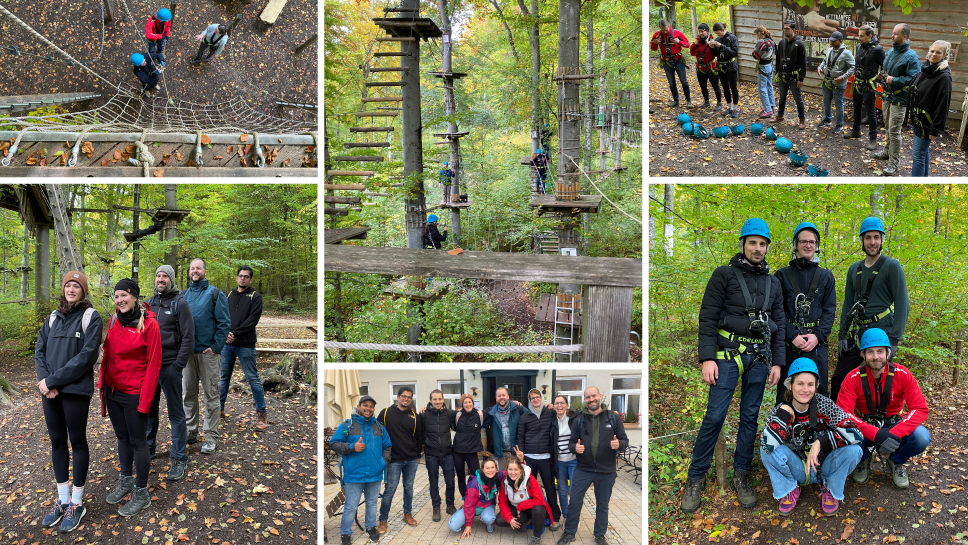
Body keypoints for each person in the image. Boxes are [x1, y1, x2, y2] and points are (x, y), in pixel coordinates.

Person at [680, 218, 786, 513]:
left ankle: (742, 475)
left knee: (749, 419)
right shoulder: (724, 275)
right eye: (752, 242)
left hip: (759, 359)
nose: (757, 248)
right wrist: (707, 357)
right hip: (726, 356)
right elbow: (708, 317)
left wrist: (778, 362)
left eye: (762, 244)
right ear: (743, 244)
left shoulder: (772, 282)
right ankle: (695, 478)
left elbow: (779, 326)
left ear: (767, 248)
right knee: (714, 417)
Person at [760, 358, 881, 516]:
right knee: (767, 451)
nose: (805, 389)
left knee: (854, 450)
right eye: (800, 383)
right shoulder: (781, 411)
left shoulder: (825, 405)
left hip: (826, 466)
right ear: (790, 385)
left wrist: (820, 443)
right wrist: (783, 412)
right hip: (800, 468)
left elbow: (856, 433)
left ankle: (830, 487)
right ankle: (790, 488)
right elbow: (766, 445)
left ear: (816, 386)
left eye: (810, 384)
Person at [35, 272, 103, 533]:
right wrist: (45, 382)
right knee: (56, 441)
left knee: (77, 441)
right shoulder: (52, 318)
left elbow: (87, 356)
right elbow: (39, 351)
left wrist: (53, 381)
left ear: (83, 291)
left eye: (76, 286)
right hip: (49, 392)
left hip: (75, 391)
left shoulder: (90, 317)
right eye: (68, 286)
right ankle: (62, 500)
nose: (71, 290)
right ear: (63, 289)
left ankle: (77, 502)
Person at [98, 279, 162, 517]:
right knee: (122, 437)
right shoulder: (115, 319)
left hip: (135, 393)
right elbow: (109, 354)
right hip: (113, 390)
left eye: (124, 295)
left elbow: (154, 365)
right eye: (116, 296)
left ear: (134, 296)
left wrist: (145, 401)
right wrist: (104, 385)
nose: (120, 300)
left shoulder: (150, 325)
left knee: (138, 441)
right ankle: (125, 481)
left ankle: (141, 492)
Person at [837, 328, 930, 489]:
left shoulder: (903, 374)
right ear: (863, 355)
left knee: (921, 437)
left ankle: (895, 461)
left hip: (894, 424)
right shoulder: (852, 378)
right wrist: (875, 434)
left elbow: (920, 409)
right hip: (864, 427)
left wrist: (895, 432)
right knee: (841, 432)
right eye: (870, 352)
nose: (875, 357)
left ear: (888, 352)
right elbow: (842, 414)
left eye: (880, 351)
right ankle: (863, 458)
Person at [830, 217, 908, 402]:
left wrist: (894, 339)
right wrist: (842, 335)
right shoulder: (853, 269)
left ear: (881, 240)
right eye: (868, 238)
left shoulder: (891, 266)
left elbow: (902, 303)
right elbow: (848, 304)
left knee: (880, 383)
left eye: (876, 237)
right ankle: (835, 423)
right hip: (859, 333)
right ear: (862, 240)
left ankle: (879, 424)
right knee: (839, 379)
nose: (872, 242)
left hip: (883, 332)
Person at [556, 387, 629, 545]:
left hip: (606, 470)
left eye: (593, 396)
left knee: (602, 504)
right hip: (583, 469)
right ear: (585, 400)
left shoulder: (613, 418)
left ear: (600, 396)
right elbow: (571, 443)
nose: (591, 399)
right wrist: (575, 448)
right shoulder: (579, 420)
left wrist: (619, 444)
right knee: (575, 501)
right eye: (587, 397)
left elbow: (625, 441)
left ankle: (600, 534)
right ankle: (569, 533)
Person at [774, 222, 836, 403]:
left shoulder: (826, 276)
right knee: (786, 392)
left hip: (817, 345)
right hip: (789, 344)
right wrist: (792, 335)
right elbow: (777, 312)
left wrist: (817, 336)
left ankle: (820, 429)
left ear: (816, 246)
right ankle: (784, 428)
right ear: (796, 244)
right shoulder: (781, 276)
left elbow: (829, 311)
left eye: (812, 242)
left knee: (819, 392)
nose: (808, 245)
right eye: (803, 241)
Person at [145, 265, 195, 481]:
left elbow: (188, 338)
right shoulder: (149, 304)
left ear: (171, 279)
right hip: (150, 368)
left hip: (170, 367)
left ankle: (179, 458)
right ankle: (148, 449)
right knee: (148, 410)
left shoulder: (180, 304)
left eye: (165, 275)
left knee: (176, 413)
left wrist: (177, 366)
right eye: (158, 275)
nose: (161, 279)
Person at [182, 258, 230, 455]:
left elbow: (224, 323)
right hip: (187, 354)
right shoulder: (183, 295)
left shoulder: (215, 294)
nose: (195, 271)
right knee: (188, 394)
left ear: (204, 271)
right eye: (192, 268)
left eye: (198, 268)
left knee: (211, 394)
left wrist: (215, 347)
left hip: (207, 353)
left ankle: (210, 436)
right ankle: (190, 431)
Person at [329, 395, 392, 545]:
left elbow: (388, 446)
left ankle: (371, 528)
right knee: (350, 506)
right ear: (359, 406)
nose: (368, 408)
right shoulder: (347, 425)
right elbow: (334, 444)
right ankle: (345, 533)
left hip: (375, 474)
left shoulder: (379, 427)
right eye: (365, 405)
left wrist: (382, 463)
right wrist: (351, 447)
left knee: (371, 503)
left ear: (373, 409)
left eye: (371, 406)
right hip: (354, 474)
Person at [219, 265, 267, 430]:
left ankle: (262, 414)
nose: (243, 278)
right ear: (237, 277)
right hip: (227, 344)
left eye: (246, 276)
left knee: (252, 378)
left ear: (251, 279)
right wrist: (226, 334)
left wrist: (234, 334)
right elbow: (221, 316)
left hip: (245, 344)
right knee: (223, 377)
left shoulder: (255, 296)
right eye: (240, 276)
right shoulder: (229, 295)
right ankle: (219, 409)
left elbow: (252, 320)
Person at [873, 24, 921, 176]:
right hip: (887, 96)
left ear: (904, 37)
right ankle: (887, 152)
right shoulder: (892, 51)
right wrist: (881, 78)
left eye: (895, 34)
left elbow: (914, 79)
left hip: (900, 100)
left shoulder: (911, 56)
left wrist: (893, 80)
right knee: (887, 127)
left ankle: (894, 162)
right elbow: (886, 72)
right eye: (892, 33)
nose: (891, 36)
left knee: (894, 131)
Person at [376, 387, 423, 534]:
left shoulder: (415, 416)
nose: (406, 399)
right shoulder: (385, 413)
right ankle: (383, 521)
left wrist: (417, 456)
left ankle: (407, 514)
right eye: (404, 396)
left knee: (408, 488)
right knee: (389, 490)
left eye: (409, 397)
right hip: (393, 460)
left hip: (410, 459)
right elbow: (377, 433)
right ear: (397, 397)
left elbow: (419, 438)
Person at [514, 388, 563, 529]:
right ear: (529, 401)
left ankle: (555, 516)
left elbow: (564, 414)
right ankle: (529, 516)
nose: (535, 399)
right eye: (532, 398)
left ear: (541, 398)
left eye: (537, 397)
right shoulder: (525, 417)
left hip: (546, 458)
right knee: (528, 489)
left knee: (549, 488)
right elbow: (520, 437)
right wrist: (521, 455)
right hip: (529, 458)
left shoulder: (551, 413)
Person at [909, 40, 953, 177]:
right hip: (917, 119)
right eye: (932, 51)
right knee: (923, 152)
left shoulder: (943, 77)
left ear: (944, 55)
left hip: (926, 122)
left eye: (938, 52)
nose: (933, 54)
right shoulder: (926, 69)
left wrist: (936, 128)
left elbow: (943, 104)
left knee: (917, 156)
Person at [496, 457, 554, 545]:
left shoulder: (530, 479)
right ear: (507, 470)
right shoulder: (504, 482)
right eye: (510, 469)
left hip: (532, 508)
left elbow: (539, 500)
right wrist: (509, 518)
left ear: (520, 469)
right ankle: (523, 522)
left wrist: (521, 506)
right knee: (499, 520)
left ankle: (536, 537)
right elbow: (502, 503)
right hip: (516, 509)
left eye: (516, 469)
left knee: (538, 510)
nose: (513, 472)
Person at [844, 26, 885, 150]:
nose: (859, 38)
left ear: (870, 36)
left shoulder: (878, 49)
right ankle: (856, 130)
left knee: (870, 111)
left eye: (862, 36)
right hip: (858, 83)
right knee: (856, 107)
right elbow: (857, 64)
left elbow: (885, 67)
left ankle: (873, 138)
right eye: (859, 35)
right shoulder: (859, 46)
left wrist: (878, 80)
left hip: (869, 85)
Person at [422, 390, 458, 521]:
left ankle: (450, 505)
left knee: (450, 482)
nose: (437, 401)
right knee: (433, 483)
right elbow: (420, 433)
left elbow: (458, 423)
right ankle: (436, 508)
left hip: (448, 453)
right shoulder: (424, 414)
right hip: (431, 454)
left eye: (439, 399)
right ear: (430, 400)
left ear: (443, 399)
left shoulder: (449, 413)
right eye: (434, 399)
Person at [447, 458, 501, 538]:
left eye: (492, 467)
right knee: (452, 526)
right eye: (487, 468)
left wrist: (521, 460)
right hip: (473, 506)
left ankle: (488, 520)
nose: (490, 470)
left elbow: (512, 471)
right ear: (482, 469)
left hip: (488, 504)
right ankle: (461, 512)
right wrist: (468, 525)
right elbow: (469, 505)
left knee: (489, 519)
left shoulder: (497, 477)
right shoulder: (474, 483)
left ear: (496, 469)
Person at [817, 31, 854, 133]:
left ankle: (839, 124)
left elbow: (853, 68)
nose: (831, 42)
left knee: (838, 104)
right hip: (827, 82)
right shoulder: (829, 50)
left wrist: (843, 77)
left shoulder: (847, 53)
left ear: (840, 41)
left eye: (834, 41)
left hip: (839, 84)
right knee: (826, 102)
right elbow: (825, 61)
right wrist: (820, 67)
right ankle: (827, 119)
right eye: (831, 40)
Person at [651, 20, 693, 109]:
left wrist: (679, 42)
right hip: (666, 61)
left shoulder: (677, 33)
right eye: (663, 30)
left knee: (683, 81)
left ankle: (688, 101)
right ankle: (676, 100)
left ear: (669, 26)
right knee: (671, 82)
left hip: (678, 60)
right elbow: (653, 49)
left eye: (666, 30)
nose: (665, 32)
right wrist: (654, 43)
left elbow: (687, 45)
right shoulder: (657, 35)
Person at [774, 20, 807, 130]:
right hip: (783, 76)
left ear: (794, 30)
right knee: (782, 96)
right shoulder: (781, 43)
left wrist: (801, 78)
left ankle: (802, 119)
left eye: (788, 28)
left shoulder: (799, 44)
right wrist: (777, 74)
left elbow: (803, 63)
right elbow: (778, 60)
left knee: (798, 99)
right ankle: (780, 115)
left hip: (794, 77)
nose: (785, 31)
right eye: (784, 28)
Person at [453, 393, 485, 501]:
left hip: (472, 452)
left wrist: (514, 402)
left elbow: (494, 409)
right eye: (465, 402)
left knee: (475, 477)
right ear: (462, 404)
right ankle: (465, 498)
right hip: (458, 451)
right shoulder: (457, 415)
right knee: (461, 477)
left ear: (473, 403)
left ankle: (474, 497)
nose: (468, 404)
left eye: (469, 401)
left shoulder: (479, 414)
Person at [483, 387, 526, 465]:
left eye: (503, 395)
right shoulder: (492, 413)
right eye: (499, 396)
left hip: (515, 452)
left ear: (508, 397)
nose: (501, 397)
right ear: (496, 398)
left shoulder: (518, 409)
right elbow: (478, 421)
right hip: (501, 454)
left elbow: (532, 416)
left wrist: (547, 407)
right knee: (502, 476)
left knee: (515, 476)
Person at [551, 395, 577, 521]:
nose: (559, 405)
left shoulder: (574, 418)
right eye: (556, 403)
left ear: (567, 405)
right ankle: (566, 517)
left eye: (562, 403)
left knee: (573, 491)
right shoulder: (552, 419)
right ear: (553, 405)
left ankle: (573, 517)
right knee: (562, 491)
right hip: (559, 462)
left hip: (573, 460)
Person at [690, 24, 722, 112]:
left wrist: (712, 45)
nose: (700, 33)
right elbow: (692, 53)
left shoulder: (713, 41)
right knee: (703, 86)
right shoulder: (697, 42)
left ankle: (719, 103)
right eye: (699, 31)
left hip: (711, 67)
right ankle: (706, 102)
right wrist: (693, 45)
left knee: (715, 86)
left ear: (707, 31)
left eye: (702, 31)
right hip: (700, 68)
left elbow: (716, 53)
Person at [709, 23, 739, 118]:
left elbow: (734, 53)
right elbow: (715, 54)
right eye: (716, 34)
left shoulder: (732, 38)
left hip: (731, 66)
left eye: (719, 33)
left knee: (733, 87)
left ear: (722, 29)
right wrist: (712, 48)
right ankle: (729, 107)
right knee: (725, 88)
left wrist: (721, 46)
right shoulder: (717, 39)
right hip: (721, 67)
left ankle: (735, 108)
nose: (718, 35)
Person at [752, 26, 776, 118]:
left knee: (762, 88)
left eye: (756, 34)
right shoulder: (771, 41)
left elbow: (755, 55)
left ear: (759, 33)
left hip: (763, 66)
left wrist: (755, 48)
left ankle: (767, 109)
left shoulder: (761, 42)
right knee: (769, 86)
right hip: (770, 65)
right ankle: (771, 105)